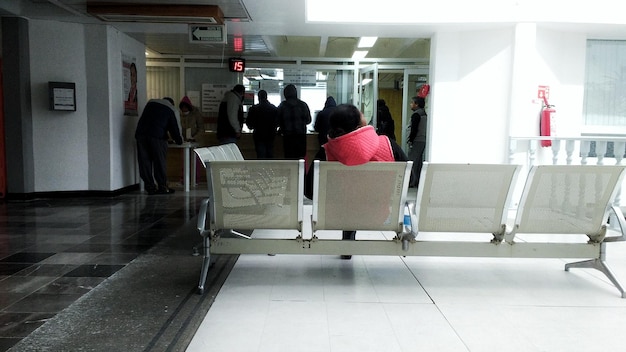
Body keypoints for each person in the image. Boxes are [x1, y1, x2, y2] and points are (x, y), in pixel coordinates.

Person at [305, 103, 408, 259]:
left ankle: (348, 238)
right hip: (379, 215)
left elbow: (309, 192)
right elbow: (411, 178)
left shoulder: (325, 153)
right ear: (361, 124)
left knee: (349, 202)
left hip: (336, 217)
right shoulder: (388, 145)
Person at [135, 97, 183, 195]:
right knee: (159, 162)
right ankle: (162, 187)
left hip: (140, 135)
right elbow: (175, 128)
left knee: (144, 162)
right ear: (172, 103)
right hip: (157, 137)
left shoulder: (150, 103)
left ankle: (150, 188)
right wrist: (179, 141)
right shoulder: (172, 109)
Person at [277, 84, 312, 159]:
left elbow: (277, 121)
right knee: (300, 160)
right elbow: (308, 120)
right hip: (301, 137)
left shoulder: (282, 106)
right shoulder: (303, 105)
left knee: (290, 160)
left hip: (288, 138)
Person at [245, 90, 279, 158]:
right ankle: (270, 168)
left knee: (261, 156)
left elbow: (249, 124)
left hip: (259, 135)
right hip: (271, 135)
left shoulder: (254, 109)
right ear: (266, 97)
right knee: (270, 154)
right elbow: (278, 122)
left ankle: (262, 168)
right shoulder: (274, 108)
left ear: (258, 97)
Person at [407, 96, 428, 187]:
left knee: (412, 161)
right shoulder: (423, 114)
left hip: (417, 140)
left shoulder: (416, 115)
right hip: (421, 140)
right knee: (418, 162)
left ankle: (411, 182)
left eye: (412, 103)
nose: (411, 105)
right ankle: (416, 181)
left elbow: (414, 129)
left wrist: (410, 140)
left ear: (417, 104)